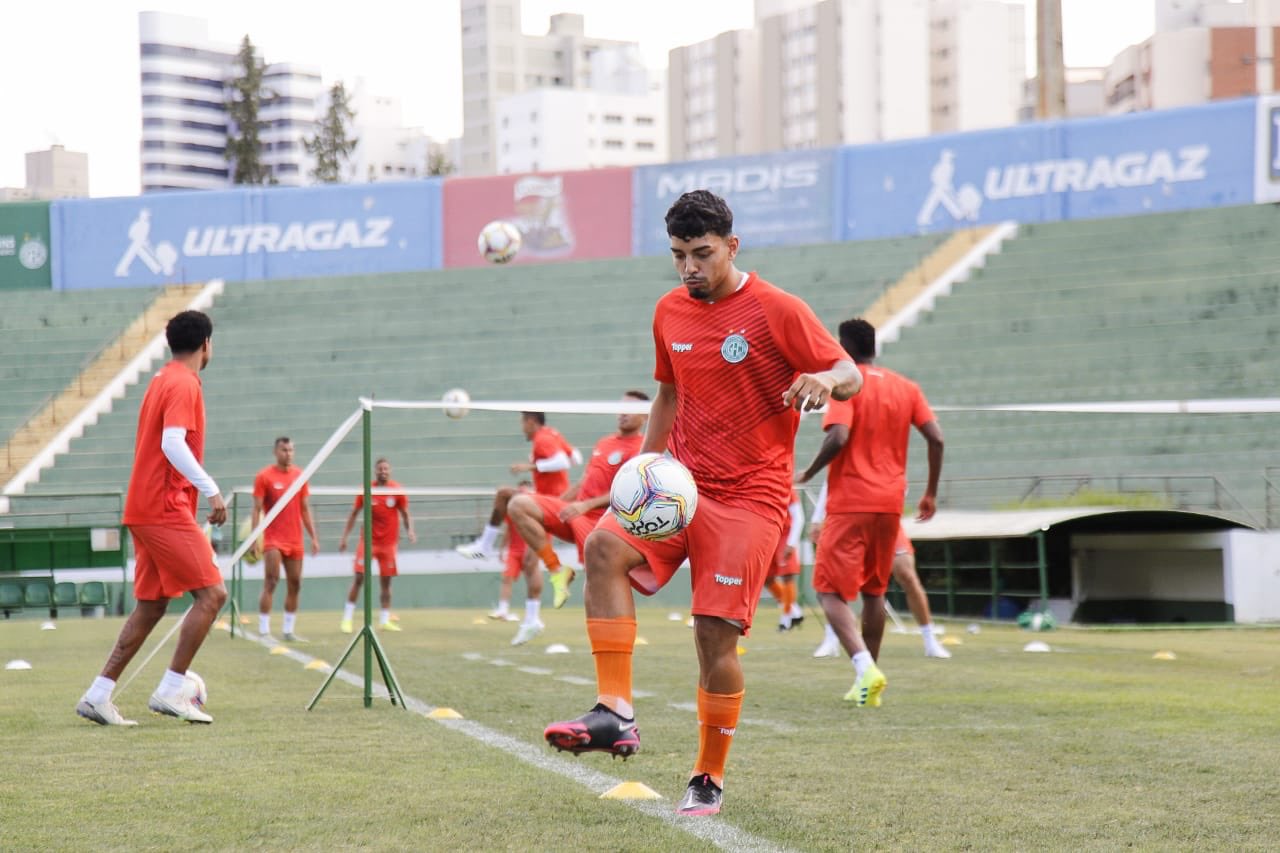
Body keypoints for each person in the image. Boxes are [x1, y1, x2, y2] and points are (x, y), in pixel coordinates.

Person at [543, 190, 859, 817]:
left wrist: (824, 379)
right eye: (679, 255)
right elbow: (665, 395)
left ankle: (708, 776)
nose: (689, 267)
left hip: (751, 499)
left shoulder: (776, 310)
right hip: (679, 486)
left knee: (714, 636)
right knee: (603, 547)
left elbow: (848, 370)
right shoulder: (668, 311)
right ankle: (615, 712)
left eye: (702, 254)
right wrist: (646, 466)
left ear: (732, 247)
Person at [76, 310, 227, 726]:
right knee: (213, 596)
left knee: (152, 605)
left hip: (144, 507)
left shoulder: (162, 379)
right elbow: (172, 442)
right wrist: (210, 487)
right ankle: (171, 689)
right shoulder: (184, 383)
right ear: (206, 344)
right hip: (164, 508)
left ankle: (98, 694)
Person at [797, 318, 944, 707]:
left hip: (851, 501)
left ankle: (865, 668)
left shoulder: (848, 387)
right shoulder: (906, 387)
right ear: (875, 347)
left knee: (828, 591)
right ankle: (869, 681)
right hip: (891, 503)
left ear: (842, 349)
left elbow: (839, 436)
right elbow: (936, 437)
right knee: (875, 590)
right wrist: (929, 493)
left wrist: (809, 472)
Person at [505, 391, 649, 645]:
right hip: (577, 513)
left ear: (646, 416)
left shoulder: (643, 449)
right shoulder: (604, 442)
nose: (623, 412)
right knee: (519, 504)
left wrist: (585, 506)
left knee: (598, 590)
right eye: (621, 407)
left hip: (603, 524)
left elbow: (628, 490)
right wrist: (558, 503)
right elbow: (585, 481)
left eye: (631, 409)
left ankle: (622, 635)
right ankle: (557, 570)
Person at [455, 412, 580, 627]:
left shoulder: (542, 438)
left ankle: (484, 546)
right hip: (552, 502)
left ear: (531, 422)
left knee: (503, 493)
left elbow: (562, 462)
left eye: (523, 422)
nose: (522, 427)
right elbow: (576, 457)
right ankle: (534, 617)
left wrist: (530, 467)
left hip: (550, 503)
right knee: (531, 562)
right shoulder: (553, 434)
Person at [808, 481, 950, 660]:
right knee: (838, 579)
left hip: (882, 512)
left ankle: (930, 641)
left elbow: (900, 475)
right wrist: (816, 518)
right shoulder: (843, 454)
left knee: (905, 573)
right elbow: (831, 477)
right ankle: (832, 639)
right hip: (848, 514)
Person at [251, 436, 319, 643]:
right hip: (273, 539)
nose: (288, 454)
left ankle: (288, 630)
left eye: (290, 450)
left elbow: (305, 509)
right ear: (275, 452)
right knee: (271, 581)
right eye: (284, 450)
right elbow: (256, 509)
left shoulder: (300, 476)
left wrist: (313, 537)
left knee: (296, 584)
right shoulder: (264, 476)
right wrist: (255, 539)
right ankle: (264, 630)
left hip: (295, 540)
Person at [337, 458, 416, 632]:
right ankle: (347, 619)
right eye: (380, 469)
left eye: (386, 469)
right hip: (368, 543)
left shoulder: (397, 490)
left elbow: (405, 513)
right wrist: (344, 537)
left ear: (390, 471)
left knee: (386, 583)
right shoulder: (367, 490)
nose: (383, 472)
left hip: (388, 545)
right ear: (375, 471)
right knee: (359, 578)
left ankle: (384, 620)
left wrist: (410, 530)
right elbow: (353, 514)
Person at [763, 490, 805, 631]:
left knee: (787, 576)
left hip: (785, 534)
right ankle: (794, 610)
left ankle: (786, 618)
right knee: (766, 578)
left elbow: (799, 517)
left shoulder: (787, 489)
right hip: (769, 533)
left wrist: (791, 543)